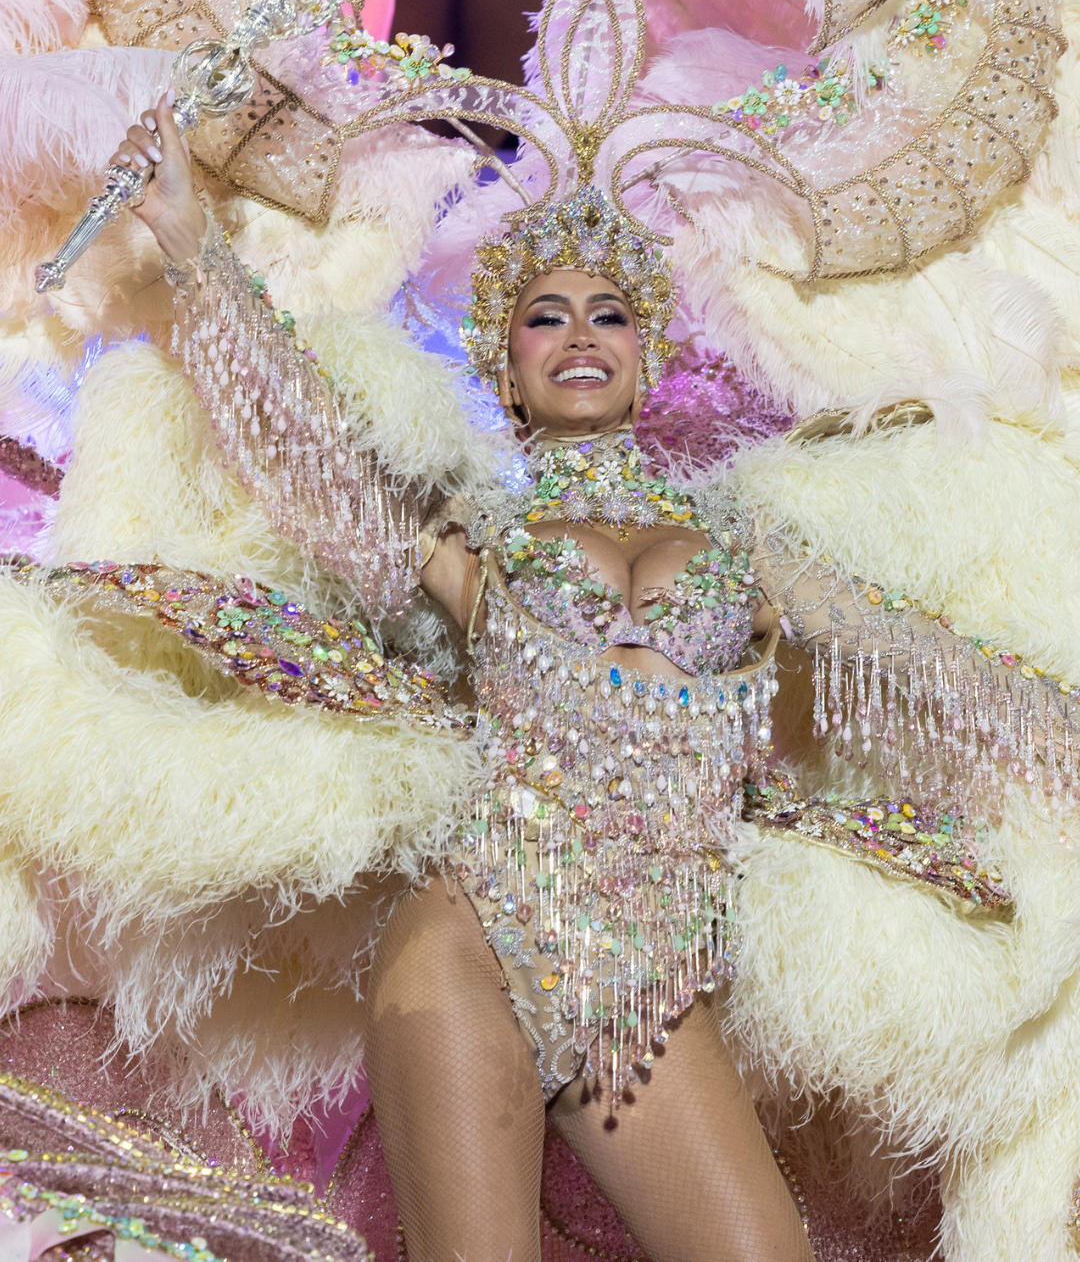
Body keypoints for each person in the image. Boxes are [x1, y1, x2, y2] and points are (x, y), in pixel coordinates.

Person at [100, 88, 1038, 1262]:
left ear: (647, 358)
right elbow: (312, 449)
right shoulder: (473, 535)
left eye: (611, 315)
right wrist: (192, 248)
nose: (582, 335)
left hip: (645, 993)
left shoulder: (748, 548)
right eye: (546, 317)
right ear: (507, 367)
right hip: (472, 946)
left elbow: (951, 675)